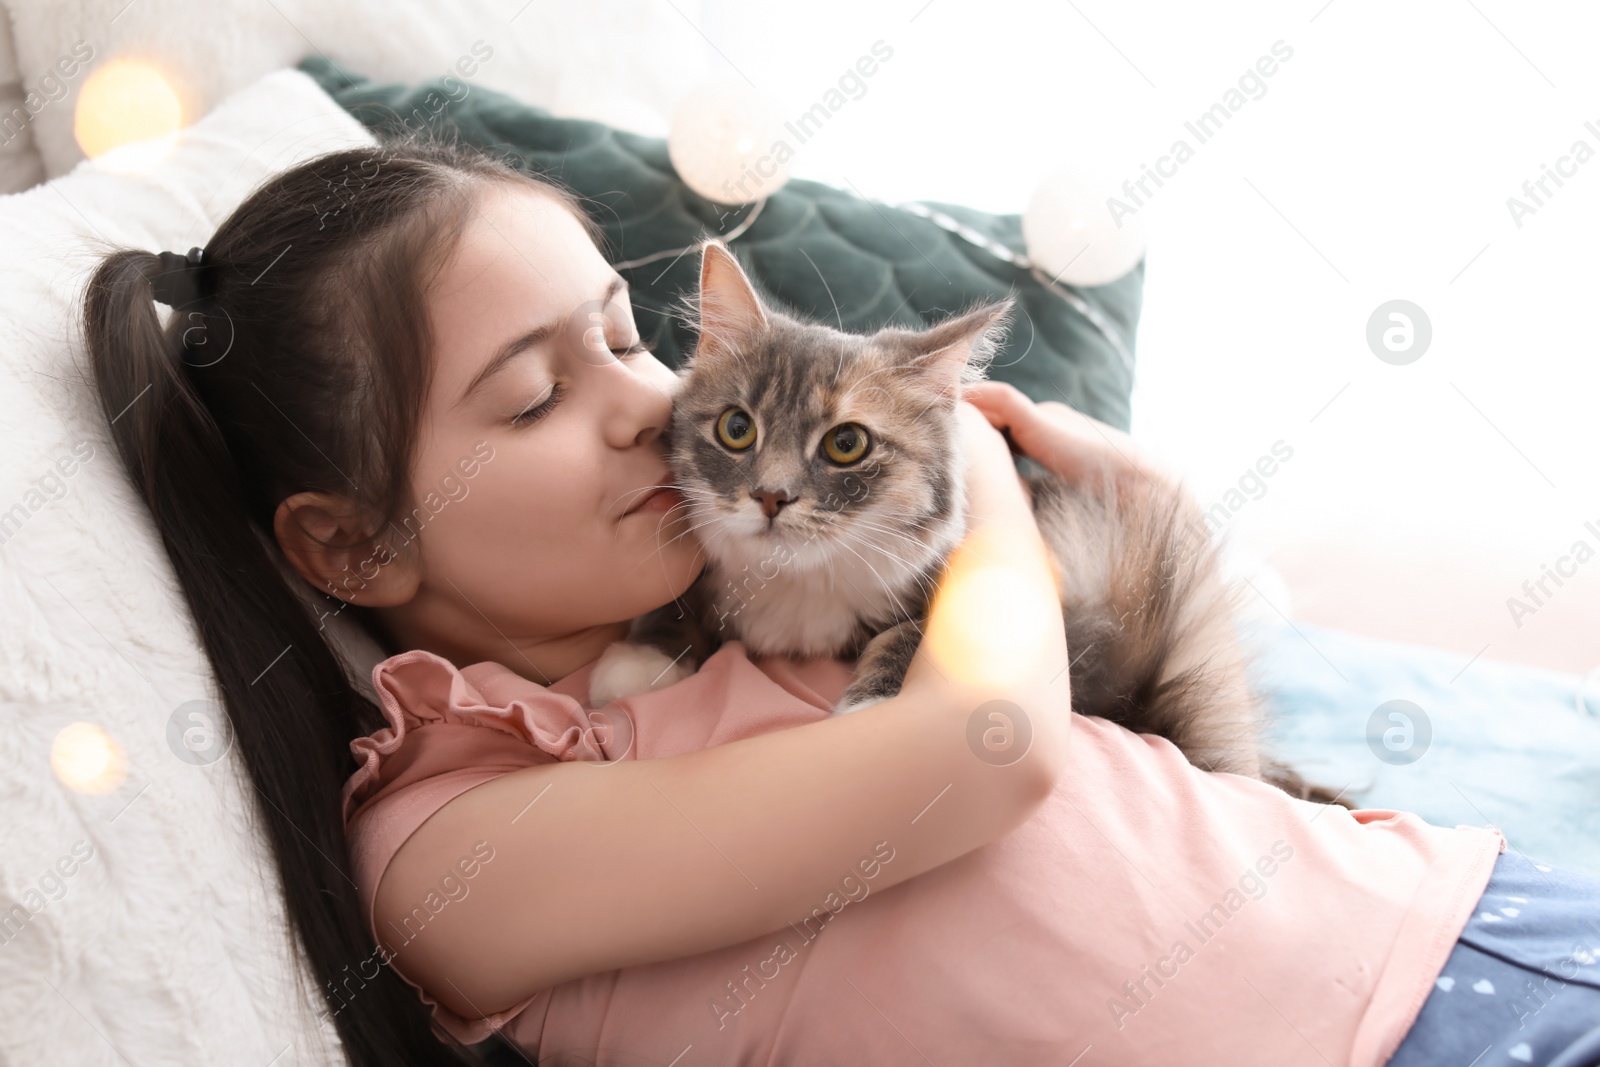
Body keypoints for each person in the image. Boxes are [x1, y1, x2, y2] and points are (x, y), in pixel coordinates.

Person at [83, 135, 1600, 1067]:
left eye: (627, 334)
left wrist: (1146, 518)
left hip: (1438, 927)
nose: (649, 406)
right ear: (352, 552)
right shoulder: (449, 852)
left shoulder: (750, 600)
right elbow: (987, 749)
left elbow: (1146, 711)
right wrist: (966, 475)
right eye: (539, 394)